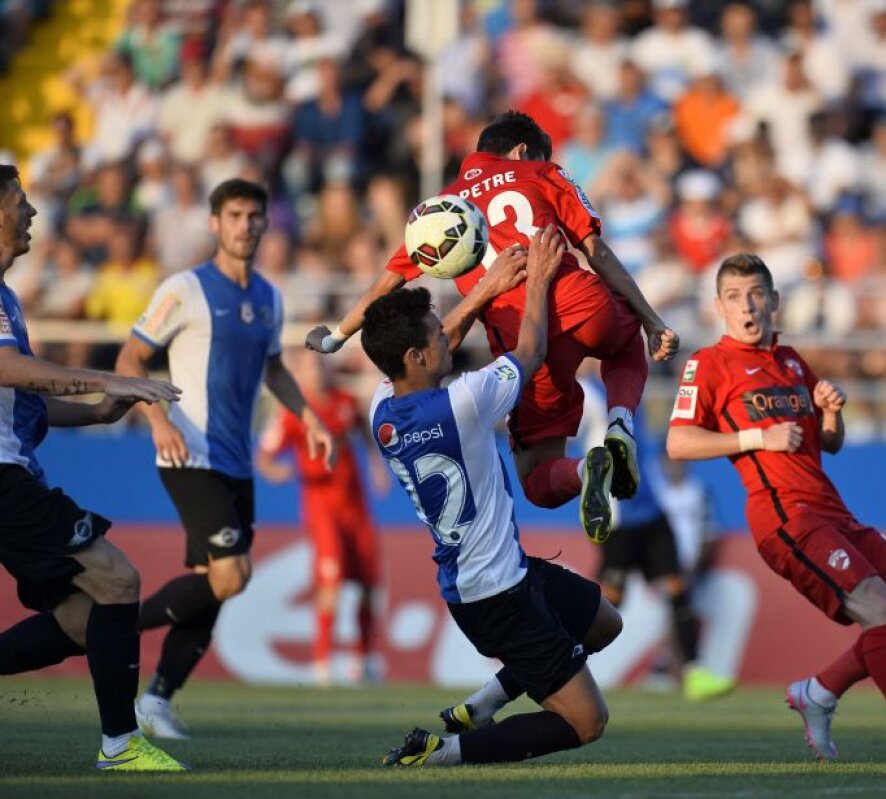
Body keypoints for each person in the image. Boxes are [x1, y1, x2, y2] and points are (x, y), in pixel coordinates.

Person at [306, 111, 680, 544]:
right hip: (583, 305)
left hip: (525, 345)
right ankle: (619, 424)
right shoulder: (542, 171)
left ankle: (587, 467)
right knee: (626, 329)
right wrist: (652, 320)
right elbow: (597, 251)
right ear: (523, 151)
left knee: (538, 482)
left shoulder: (440, 207)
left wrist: (337, 335)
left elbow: (384, 285)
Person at [665, 253, 886, 766]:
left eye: (757, 293)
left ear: (774, 301)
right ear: (718, 307)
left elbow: (828, 444)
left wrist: (831, 412)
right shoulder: (708, 364)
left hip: (834, 512)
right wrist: (755, 435)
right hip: (785, 518)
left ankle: (820, 692)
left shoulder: (791, 363)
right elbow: (678, 442)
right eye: (736, 297)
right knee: (878, 607)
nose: (748, 306)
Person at [367, 228, 622, 767]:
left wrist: (482, 292)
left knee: (604, 624)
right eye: (437, 337)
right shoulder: (462, 404)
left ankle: (484, 703)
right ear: (415, 356)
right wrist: (538, 283)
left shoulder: (380, 412)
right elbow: (530, 351)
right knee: (586, 721)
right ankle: (439, 753)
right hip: (498, 595)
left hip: (494, 575)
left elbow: (436, 347)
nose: (449, 339)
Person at [115, 178, 335, 739]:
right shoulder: (184, 289)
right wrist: (158, 419)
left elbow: (274, 369)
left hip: (237, 463)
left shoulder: (268, 297)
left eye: (254, 216)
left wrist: (308, 418)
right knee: (232, 574)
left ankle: (157, 699)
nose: (246, 225)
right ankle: (109, 626)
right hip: (189, 453)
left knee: (211, 583)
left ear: (265, 223)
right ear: (214, 223)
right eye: (235, 215)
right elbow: (131, 355)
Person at [0, 164, 187, 771]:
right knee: (117, 580)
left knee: (86, 617)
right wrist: (105, 375)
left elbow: (23, 397)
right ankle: (120, 745)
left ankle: (120, 744)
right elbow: (8, 372)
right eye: (20, 201)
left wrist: (100, 411)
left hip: (14, 472)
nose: (31, 212)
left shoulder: (5, 298)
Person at [577, 376, 733, 701]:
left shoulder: (632, 387)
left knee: (678, 588)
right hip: (617, 516)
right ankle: (565, 666)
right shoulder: (590, 391)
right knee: (610, 600)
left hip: (650, 508)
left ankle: (693, 672)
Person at [256, 348, 384, 685]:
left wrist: (376, 467)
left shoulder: (344, 400)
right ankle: (322, 661)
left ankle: (364, 660)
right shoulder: (292, 413)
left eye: (320, 364)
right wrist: (275, 470)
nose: (317, 372)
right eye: (309, 367)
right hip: (321, 507)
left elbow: (365, 435)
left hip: (356, 506)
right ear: (297, 374)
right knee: (331, 581)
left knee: (369, 582)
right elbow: (265, 456)